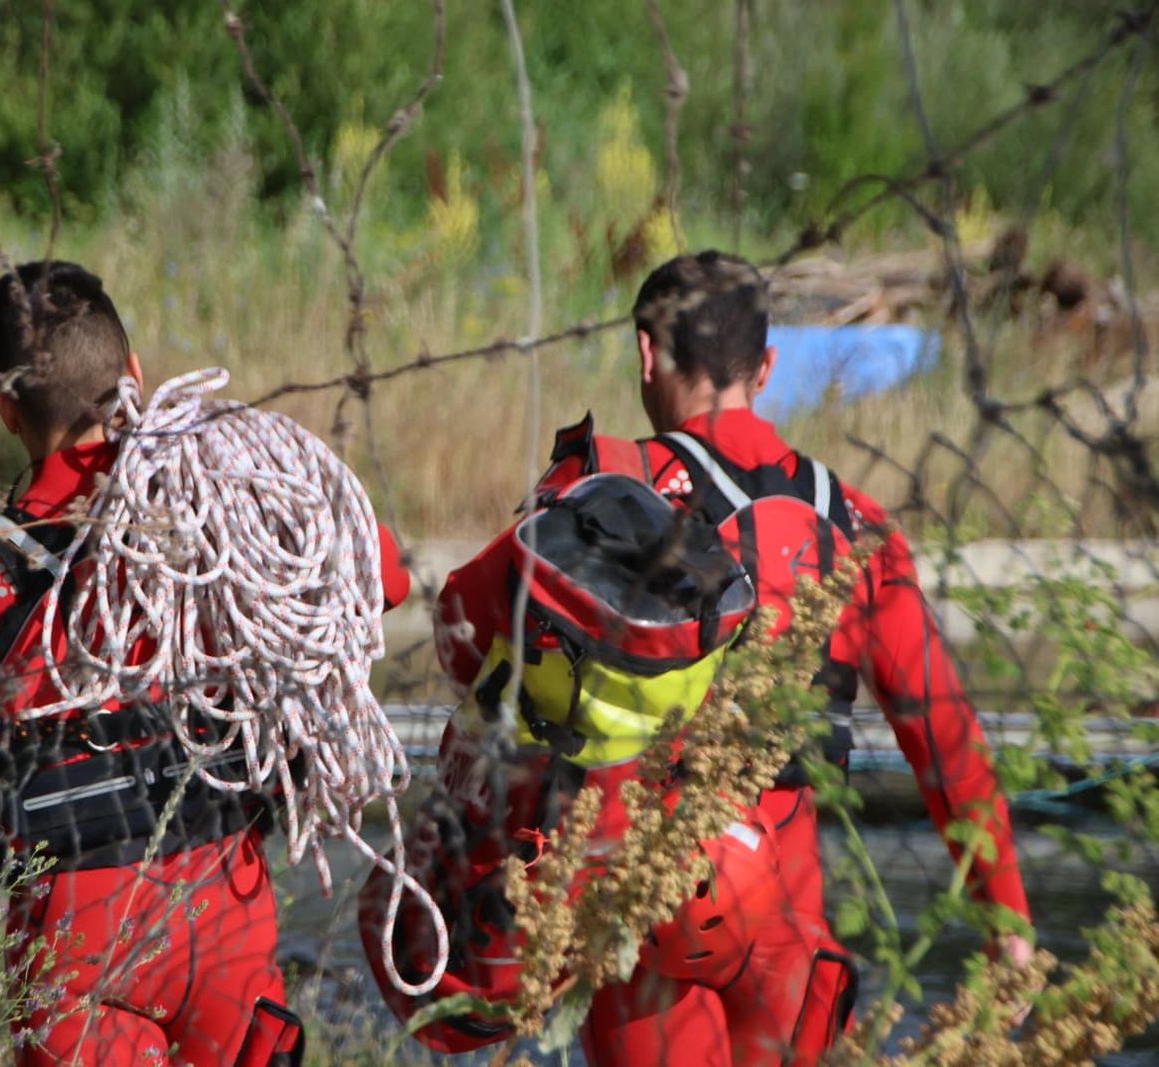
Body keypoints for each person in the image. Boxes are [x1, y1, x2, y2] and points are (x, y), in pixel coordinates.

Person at [368, 250, 1032, 1065]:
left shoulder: (607, 486)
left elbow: (460, 632)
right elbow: (947, 745)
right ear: (768, 366)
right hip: (783, 918)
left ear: (647, 353)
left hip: (644, 889)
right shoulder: (858, 530)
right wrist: (1009, 929)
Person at [0, 260, 410, 1066]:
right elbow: (383, 576)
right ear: (135, 376)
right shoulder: (224, 515)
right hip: (229, 922)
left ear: (5, 408)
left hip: (73, 944)